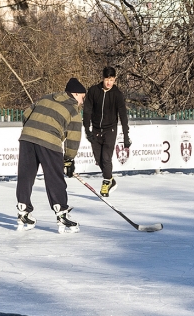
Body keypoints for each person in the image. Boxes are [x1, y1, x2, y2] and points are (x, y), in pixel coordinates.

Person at [16, 78, 86, 233]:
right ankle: (62, 214)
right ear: (75, 94)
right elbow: (74, 138)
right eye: (82, 97)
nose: (82, 101)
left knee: (26, 175)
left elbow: (26, 114)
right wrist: (69, 159)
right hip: (49, 141)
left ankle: (23, 211)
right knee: (54, 177)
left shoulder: (47, 97)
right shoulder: (73, 109)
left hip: (27, 137)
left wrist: (33, 130)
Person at [83, 66, 131, 197]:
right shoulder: (94, 91)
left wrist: (126, 136)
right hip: (96, 129)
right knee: (98, 159)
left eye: (111, 80)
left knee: (106, 157)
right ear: (102, 78)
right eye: (106, 79)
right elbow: (87, 111)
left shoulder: (117, 94)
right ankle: (110, 179)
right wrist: (87, 130)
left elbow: (123, 116)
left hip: (110, 129)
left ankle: (106, 182)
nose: (109, 83)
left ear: (115, 79)